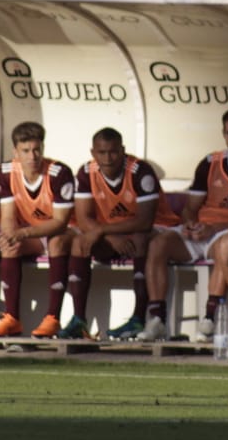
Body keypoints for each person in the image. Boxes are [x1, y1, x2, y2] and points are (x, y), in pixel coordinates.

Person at [135, 108, 228, 343]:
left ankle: (209, 318)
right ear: (223, 134)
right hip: (204, 229)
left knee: (226, 247)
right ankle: (157, 319)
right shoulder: (210, 162)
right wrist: (188, 223)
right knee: (158, 244)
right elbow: (191, 206)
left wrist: (213, 229)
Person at [69, 127, 173, 340]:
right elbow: (83, 218)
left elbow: (144, 222)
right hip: (113, 235)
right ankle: (78, 319)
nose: (108, 158)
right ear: (93, 153)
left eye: (113, 152)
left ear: (123, 150)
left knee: (140, 240)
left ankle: (138, 318)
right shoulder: (86, 172)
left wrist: (103, 231)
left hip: (152, 230)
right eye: (102, 152)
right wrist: (108, 237)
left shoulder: (140, 171)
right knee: (79, 242)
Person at [0, 121, 76, 339]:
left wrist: (21, 233)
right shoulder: (7, 171)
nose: (32, 156)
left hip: (64, 233)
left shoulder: (59, 172)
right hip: (32, 235)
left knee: (56, 241)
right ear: (16, 152)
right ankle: (11, 318)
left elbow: (61, 222)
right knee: (10, 247)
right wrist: (9, 236)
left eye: (37, 150)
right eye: (26, 151)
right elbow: (7, 216)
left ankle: (53, 318)